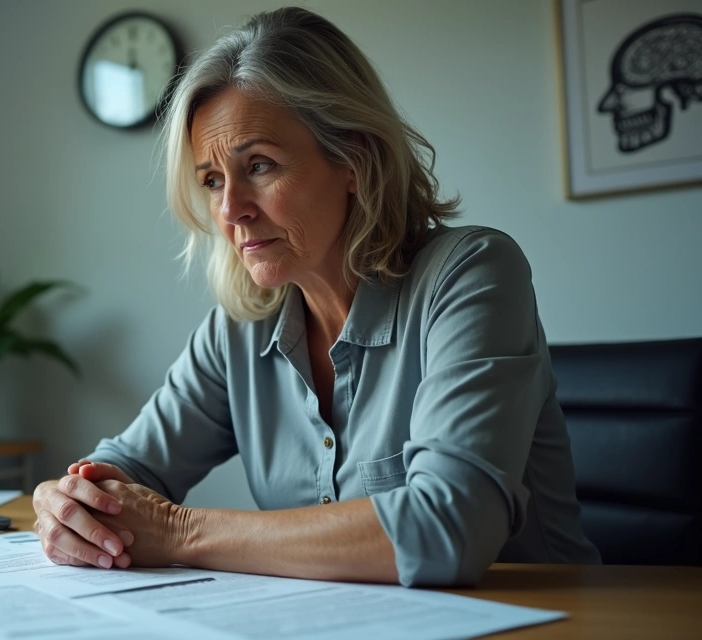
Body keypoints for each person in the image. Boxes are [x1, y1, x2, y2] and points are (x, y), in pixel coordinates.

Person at [32, 7, 600, 587]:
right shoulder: (239, 329)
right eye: (211, 180)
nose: (231, 211)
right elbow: (128, 469)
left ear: (353, 158)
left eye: (259, 165)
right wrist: (73, 503)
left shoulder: (472, 274)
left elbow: (449, 528)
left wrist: (180, 532)